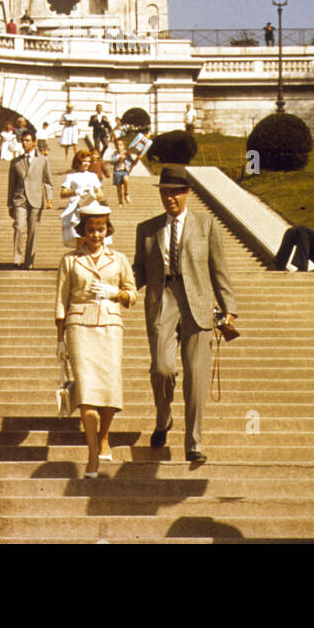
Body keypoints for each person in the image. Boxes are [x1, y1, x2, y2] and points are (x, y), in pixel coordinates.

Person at [132, 166, 237, 464]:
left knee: (196, 375)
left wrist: (230, 310)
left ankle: (194, 442)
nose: (170, 198)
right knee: (162, 369)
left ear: (187, 192)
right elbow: (139, 269)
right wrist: (122, 287)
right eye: (165, 192)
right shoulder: (147, 229)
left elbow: (219, 269)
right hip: (162, 301)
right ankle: (164, 417)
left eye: (175, 192)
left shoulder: (206, 225)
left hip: (199, 305)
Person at [55, 202, 137, 477]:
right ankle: (92, 454)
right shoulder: (69, 260)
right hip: (79, 327)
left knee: (110, 388)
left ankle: (104, 436)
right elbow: (61, 299)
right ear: (83, 231)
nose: (96, 235)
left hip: (110, 326)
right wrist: (60, 340)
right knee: (87, 390)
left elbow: (133, 295)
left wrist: (115, 292)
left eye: (101, 229)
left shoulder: (119, 259)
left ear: (107, 230)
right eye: (91, 230)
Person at [8, 130, 55, 269]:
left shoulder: (43, 160)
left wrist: (49, 198)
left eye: (27, 140)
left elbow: (47, 181)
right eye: (23, 140)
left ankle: (29, 261)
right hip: (19, 199)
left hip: (36, 199)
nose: (24, 143)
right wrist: (10, 204)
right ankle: (17, 258)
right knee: (18, 227)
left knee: (33, 231)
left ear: (34, 142)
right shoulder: (16, 162)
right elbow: (11, 184)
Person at [59, 150, 105, 248]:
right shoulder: (71, 176)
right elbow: (62, 194)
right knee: (80, 237)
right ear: (78, 162)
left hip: (91, 206)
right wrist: (75, 192)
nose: (86, 164)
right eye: (84, 161)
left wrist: (93, 195)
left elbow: (100, 193)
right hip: (77, 206)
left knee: (92, 236)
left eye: (88, 161)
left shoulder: (93, 176)